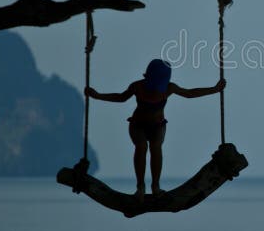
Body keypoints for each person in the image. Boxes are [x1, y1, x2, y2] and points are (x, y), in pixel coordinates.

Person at [85, 59, 225, 202]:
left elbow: (189, 93)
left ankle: (155, 186)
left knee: (156, 149)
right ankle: (140, 187)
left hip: (157, 125)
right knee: (141, 147)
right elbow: (121, 97)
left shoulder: (169, 88)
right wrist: (97, 95)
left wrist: (214, 89)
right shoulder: (137, 86)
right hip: (138, 124)